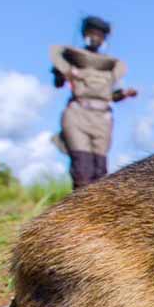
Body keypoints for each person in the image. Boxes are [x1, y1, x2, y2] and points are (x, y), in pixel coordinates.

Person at [49, 16, 138, 189]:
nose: (95, 38)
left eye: (100, 35)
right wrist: (62, 73)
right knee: (82, 167)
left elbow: (113, 96)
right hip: (78, 114)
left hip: (102, 119)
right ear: (85, 34)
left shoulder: (110, 68)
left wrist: (126, 94)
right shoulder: (73, 61)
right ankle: (77, 212)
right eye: (92, 33)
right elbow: (58, 84)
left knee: (99, 170)